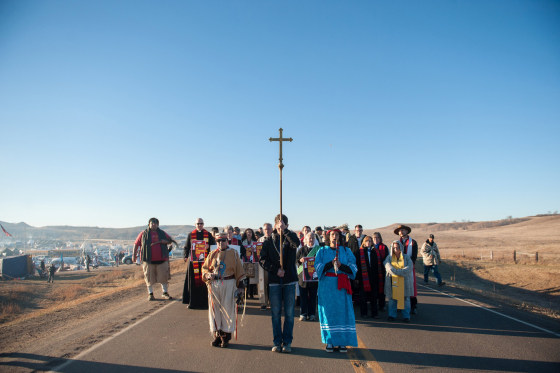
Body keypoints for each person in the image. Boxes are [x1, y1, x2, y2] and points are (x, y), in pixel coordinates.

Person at [259, 214, 299, 353]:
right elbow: (262, 260)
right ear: (275, 225)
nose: (280, 226)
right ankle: (277, 342)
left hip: (289, 281)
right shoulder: (269, 241)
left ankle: (287, 342)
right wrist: (276, 270)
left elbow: (297, 244)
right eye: (278, 223)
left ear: (286, 225)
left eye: (283, 224)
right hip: (275, 281)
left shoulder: (291, 237)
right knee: (275, 314)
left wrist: (286, 232)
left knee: (289, 313)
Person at [315, 229, 358, 353]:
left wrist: (341, 266)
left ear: (340, 237)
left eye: (337, 234)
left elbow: (354, 268)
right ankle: (330, 341)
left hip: (342, 286)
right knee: (328, 313)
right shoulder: (322, 251)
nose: (335, 237)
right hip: (327, 287)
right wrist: (330, 263)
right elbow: (317, 268)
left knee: (342, 312)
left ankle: (342, 342)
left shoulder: (346, 251)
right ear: (328, 237)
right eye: (332, 235)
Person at [202, 232, 246, 348]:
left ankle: (226, 336)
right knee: (214, 309)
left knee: (228, 308)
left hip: (229, 282)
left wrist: (241, 287)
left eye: (223, 241)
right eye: (218, 241)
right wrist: (207, 275)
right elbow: (205, 269)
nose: (221, 243)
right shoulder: (211, 254)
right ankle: (217, 334)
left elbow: (239, 270)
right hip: (214, 284)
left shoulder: (234, 253)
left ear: (227, 241)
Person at [133, 218, 176, 301]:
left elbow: (170, 240)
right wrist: (134, 255)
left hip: (162, 260)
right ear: (149, 224)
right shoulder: (143, 234)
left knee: (163, 277)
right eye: (152, 223)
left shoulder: (162, 233)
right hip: (148, 260)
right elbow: (136, 244)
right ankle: (150, 294)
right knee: (148, 278)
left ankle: (165, 293)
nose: (154, 224)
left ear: (158, 225)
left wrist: (165, 242)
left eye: (155, 223)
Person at [183, 218, 216, 309]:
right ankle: (193, 303)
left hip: (205, 262)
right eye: (198, 223)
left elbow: (214, 246)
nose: (199, 225)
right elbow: (187, 247)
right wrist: (186, 256)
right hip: (194, 263)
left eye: (201, 223)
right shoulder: (191, 235)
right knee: (193, 283)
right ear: (195, 224)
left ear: (203, 224)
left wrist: (208, 246)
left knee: (205, 281)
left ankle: (205, 303)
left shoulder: (208, 235)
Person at [384, 241, 413, 322]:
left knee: (405, 299)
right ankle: (391, 315)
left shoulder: (406, 257)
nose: (396, 249)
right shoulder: (389, 258)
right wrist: (398, 272)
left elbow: (409, 267)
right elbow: (387, 266)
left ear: (401, 248)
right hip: (392, 281)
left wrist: (398, 272)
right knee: (392, 299)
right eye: (394, 248)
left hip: (404, 282)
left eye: (397, 247)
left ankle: (406, 316)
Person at [354, 235, 381, 318]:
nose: (368, 242)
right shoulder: (359, 252)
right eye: (366, 241)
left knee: (374, 296)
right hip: (363, 277)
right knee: (363, 297)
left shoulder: (375, 252)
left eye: (370, 241)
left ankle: (374, 313)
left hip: (373, 277)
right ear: (363, 242)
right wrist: (357, 278)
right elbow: (357, 266)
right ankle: (364, 313)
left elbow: (378, 266)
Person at [394, 224, 418, 314]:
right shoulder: (396, 243)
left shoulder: (413, 242)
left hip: (409, 268)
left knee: (410, 287)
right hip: (399, 268)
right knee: (399, 287)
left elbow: (414, 256)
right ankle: (400, 305)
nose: (401, 232)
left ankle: (413, 306)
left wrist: (407, 265)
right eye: (400, 231)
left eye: (403, 230)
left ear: (407, 231)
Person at [296, 232, 320, 321]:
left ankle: (312, 314)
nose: (311, 239)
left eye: (313, 238)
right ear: (305, 239)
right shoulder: (301, 249)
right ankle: (303, 314)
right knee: (303, 297)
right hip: (303, 278)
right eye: (309, 238)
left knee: (313, 297)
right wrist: (300, 260)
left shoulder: (318, 250)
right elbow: (295, 260)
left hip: (314, 277)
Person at [372, 232, 389, 311]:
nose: (376, 239)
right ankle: (374, 305)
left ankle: (382, 305)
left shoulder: (384, 247)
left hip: (382, 271)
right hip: (372, 271)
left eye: (377, 237)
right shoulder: (370, 247)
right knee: (374, 289)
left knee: (382, 289)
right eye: (374, 238)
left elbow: (387, 258)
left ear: (380, 238)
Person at [257, 223, 273, 310]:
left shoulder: (275, 238)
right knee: (262, 284)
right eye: (265, 229)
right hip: (262, 265)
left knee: (272, 284)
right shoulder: (260, 240)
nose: (267, 231)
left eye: (269, 229)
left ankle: (272, 302)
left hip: (272, 264)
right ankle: (263, 302)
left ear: (272, 229)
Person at [242, 228, 258, 299]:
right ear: (245, 233)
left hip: (252, 261)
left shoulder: (254, 242)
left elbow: (257, 252)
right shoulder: (242, 241)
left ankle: (251, 294)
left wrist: (253, 250)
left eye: (250, 232)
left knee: (252, 279)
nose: (249, 234)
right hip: (245, 261)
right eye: (247, 232)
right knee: (245, 279)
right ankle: (245, 294)